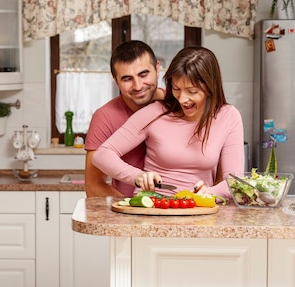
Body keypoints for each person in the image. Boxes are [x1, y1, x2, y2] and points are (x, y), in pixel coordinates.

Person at [92, 46, 244, 198]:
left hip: (197, 209)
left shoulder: (229, 116)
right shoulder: (155, 112)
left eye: (192, 91)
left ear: (211, 87)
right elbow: (102, 155)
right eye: (177, 89)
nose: (182, 99)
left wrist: (211, 192)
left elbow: (234, 181)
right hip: (151, 209)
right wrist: (137, 176)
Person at [85, 40, 162, 197]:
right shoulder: (104, 117)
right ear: (115, 80)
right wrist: (131, 210)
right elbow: (93, 186)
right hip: (129, 214)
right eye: (127, 79)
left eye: (144, 74)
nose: (138, 86)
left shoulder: (179, 105)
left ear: (157, 68)